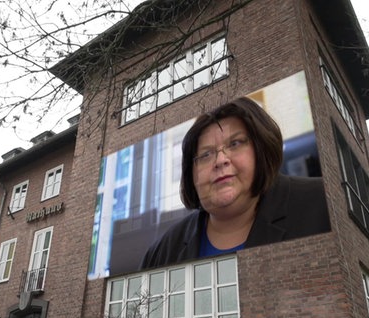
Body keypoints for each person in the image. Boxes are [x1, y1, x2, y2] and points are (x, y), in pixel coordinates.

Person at [141, 97, 330, 269]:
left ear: (260, 149)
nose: (220, 160)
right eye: (206, 154)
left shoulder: (323, 202)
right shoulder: (161, 253)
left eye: (235, 144)